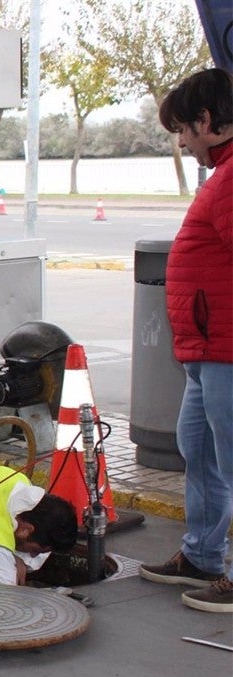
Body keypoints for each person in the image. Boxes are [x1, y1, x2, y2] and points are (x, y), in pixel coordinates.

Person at [139, 67, 233, 614]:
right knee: (197, 448)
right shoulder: (221, 175)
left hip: (225, 349)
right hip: (205, 351)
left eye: (183, 129)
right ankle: (201, 554)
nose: (181, 142)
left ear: (207, 121)